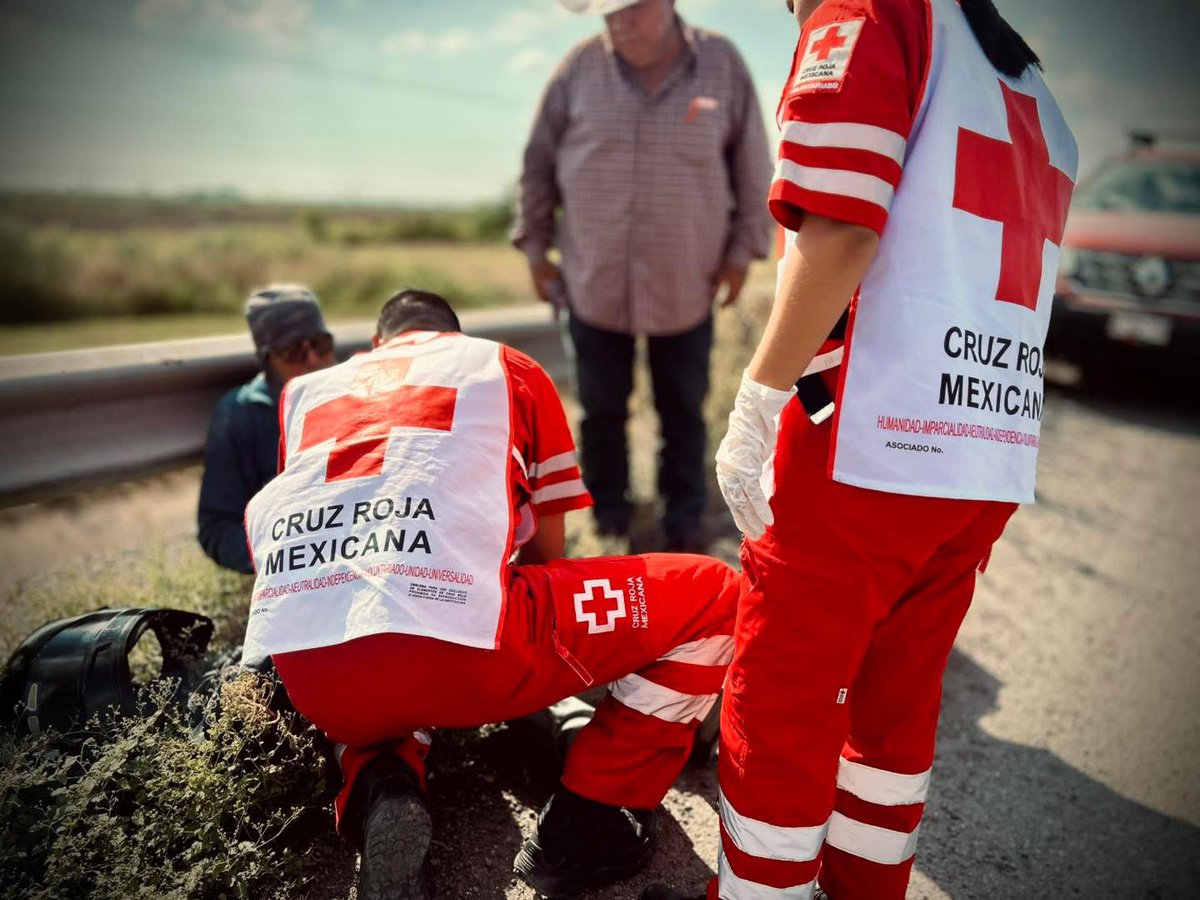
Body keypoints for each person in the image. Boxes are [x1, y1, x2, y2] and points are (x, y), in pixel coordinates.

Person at [645, 0, 1077, 898]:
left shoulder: (872, 13)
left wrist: (759, 395)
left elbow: (840, 226)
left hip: (870, 446)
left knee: (782, 708)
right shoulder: (1024, 74)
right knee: (894, 709)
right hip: (984, 448)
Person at [241, 289, 739, 900]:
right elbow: (546, 557)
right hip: (464, 658)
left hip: (315, 675)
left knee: (372, 637)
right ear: (454, 335)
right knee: (716, 593)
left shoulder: (305, 393)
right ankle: (598, 815)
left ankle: (381, 783)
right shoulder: (505, 365)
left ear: (376, 347)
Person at [512, 0, 773, 552]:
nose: (617, 22)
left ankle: (684, 525)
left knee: (683, 409)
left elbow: (752, 169)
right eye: (607, 13)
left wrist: (741, 253)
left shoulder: (722, 65)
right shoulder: (578, 69)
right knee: (600, 409)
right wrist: (536, 248)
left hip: (687, 280)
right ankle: (608, 519)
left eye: (629, 9)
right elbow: (537, 165)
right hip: (593, 279)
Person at [197, 284, 335, 573]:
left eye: (320, 344)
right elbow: (218, 529)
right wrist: (286, 560)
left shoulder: (362, 393)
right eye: (294, 351)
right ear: (267, 359)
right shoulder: (240, 415)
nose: (313, 360)